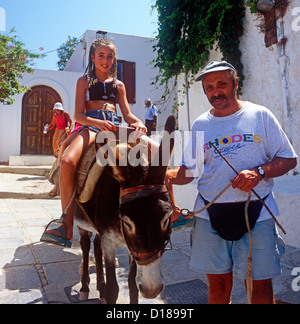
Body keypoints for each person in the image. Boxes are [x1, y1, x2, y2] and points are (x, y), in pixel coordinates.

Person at [165, 61, 298, 304]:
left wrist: (259, 171)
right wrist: (167, 175)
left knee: (260, 285)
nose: (215, 91)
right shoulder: (201, 125)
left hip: (258, 213)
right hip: (210, 213)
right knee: (217, 285)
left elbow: (289, 159)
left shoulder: (260, 115)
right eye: (209, 87)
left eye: (221, 84)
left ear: (235, 84)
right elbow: (189, 171)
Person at [41, 38, 147, 248]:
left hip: (116, 128)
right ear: (92, 57)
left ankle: (173, 209)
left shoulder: (119, 85)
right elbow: (78, 115)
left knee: (156, 151)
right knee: (68, 162)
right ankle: (66, 225)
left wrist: (139, 123)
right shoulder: (84, 81)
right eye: (101, 55)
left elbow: (127, 114)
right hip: (91, 127)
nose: (105, 60)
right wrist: (98, 122)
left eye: (109, 56)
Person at [44, 102, 73, 197]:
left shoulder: (65, 114)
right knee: (55, 147)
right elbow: (53, 124)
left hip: (64, 132)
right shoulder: (55, 116)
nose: (56, 110)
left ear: (61, 109)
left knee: (62, 147)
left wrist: (70, 129)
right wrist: (47, 128)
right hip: (57, 131)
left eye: (58, 109)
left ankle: (59, 162)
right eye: (55, 109)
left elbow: (71, 122)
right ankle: (57, 160)